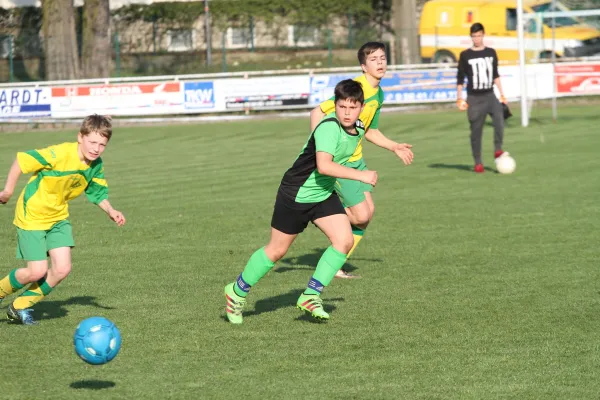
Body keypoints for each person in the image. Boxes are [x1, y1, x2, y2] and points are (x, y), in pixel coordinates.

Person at [224, 79, 377, 324]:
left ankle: (311, 295)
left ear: (361, 108)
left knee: (344, 240)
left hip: (322, 194)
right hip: (296, 194)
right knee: (276, 251)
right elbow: (324, 166)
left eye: (353, 107)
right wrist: (361, 175)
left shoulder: (358, 128)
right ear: (334, 106)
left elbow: (353, 144)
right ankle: (237, 291)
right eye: (342, 107)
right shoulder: (328, 128)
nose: (347, 112)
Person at [0, 114, 126, 325]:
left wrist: (111, 210)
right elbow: (22, 161)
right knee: (36, 271)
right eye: (92, 142)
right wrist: (7, 191)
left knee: (62, 269)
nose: (96, 148)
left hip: (58, 217)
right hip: (32, 215)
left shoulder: (95, 165)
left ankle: (19, 307)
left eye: (102, 144)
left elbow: (97, 192)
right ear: (80, 137)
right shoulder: (58, 154)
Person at [309, 41, 413, 279]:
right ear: (363, 66)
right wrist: (319, 149)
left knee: (367, 215)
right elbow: (317, 112)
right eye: (374, 59)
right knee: (361, 215)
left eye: (383, 58)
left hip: (357, 159)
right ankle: (319, 213)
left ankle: (336, 265)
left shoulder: (379, 93)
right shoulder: (357, 88)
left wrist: (394, 146)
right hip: (341, 161)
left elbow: (369, 130)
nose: (380, 63)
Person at [456, 22, 509, 173]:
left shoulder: (491, 53)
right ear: (471, 37)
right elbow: (460, 78)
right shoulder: (465, 55)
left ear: (483, 35)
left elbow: (495, 75)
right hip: (474, 98)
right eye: (474, 36)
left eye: (479, 35)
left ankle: (498, 149)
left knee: (499, 120)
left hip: (490, 95)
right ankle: (478, 162)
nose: (476, 38)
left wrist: (502, 94)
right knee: (476, 132)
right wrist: (459, 97)